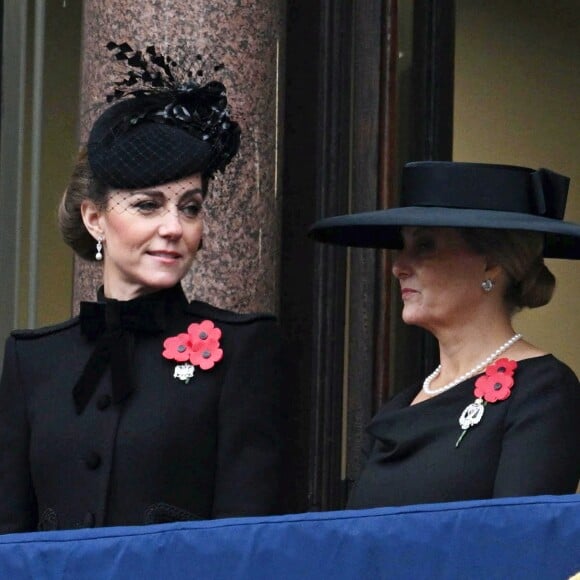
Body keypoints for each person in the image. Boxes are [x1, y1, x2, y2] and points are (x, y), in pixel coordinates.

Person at [0, 43, 285, 533]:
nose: (175, 227)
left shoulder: (243, 350)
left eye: (190, 207)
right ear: (95, 219)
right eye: (148, 206)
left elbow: (249, 542)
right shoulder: (34, 361)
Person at [310, 160, 580, 508]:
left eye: (424, 246)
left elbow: (519, 546)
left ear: (491, 262)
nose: (398, 267)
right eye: (402, 246)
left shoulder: (543, 392)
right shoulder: (402, 404)